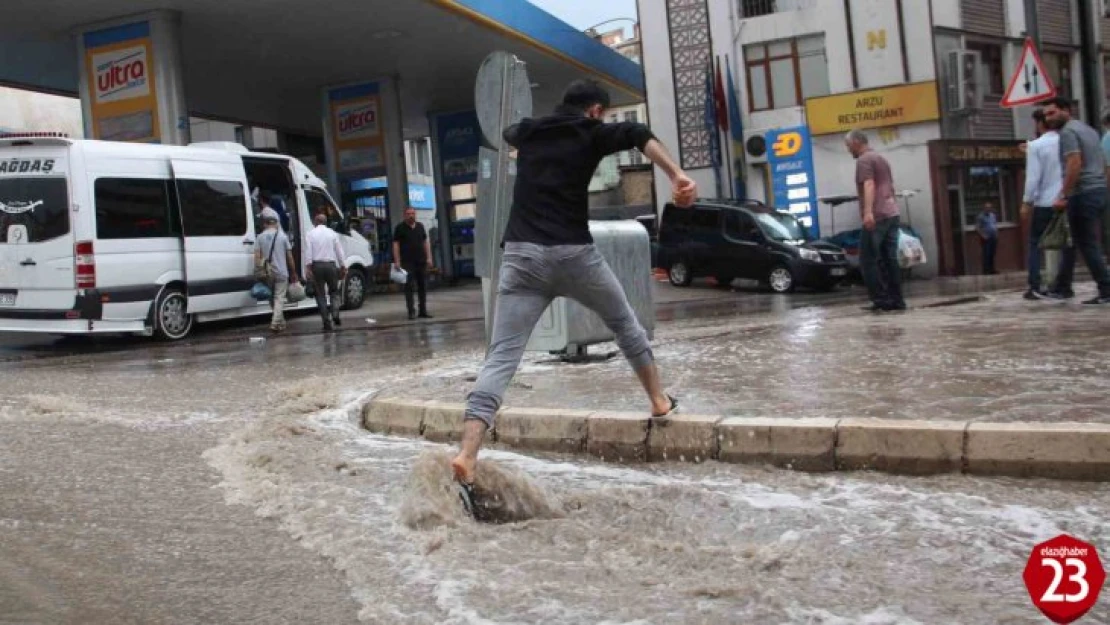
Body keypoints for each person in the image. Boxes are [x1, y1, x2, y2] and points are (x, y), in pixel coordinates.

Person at [450, 79, 697, 489]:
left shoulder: (529, 131)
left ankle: (467, 453)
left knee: (501, 356)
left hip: (522, 258)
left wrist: (523, 150)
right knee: (625, 325)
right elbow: (640, 135)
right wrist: (677, 174)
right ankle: (658, 401)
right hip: (574, 255)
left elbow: (509, 134)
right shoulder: (592, 132)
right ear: (596, 111)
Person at [1040, 97, 1110, 305]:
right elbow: (1102, 163)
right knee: (1075, 241)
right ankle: (1062, 286)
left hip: (1083, 192)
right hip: (1098, 191)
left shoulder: (1068, 133)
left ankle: (1106, 287)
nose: (1048, 118)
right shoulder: (1089, 130)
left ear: (1066, 111)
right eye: (1046, 115)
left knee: (1087, 243)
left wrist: (1063, 194)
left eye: (1052, 113)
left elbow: (1074, 163)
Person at [845, 129, 906, 312]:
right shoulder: (880, 158)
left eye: (849, 146)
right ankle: (897, 300)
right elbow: (890, 185)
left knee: (867, 260)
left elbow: (869, 184)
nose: (849, 150)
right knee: (890, 259)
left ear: (857, 142)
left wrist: (868, 212)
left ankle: (880, 300)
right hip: (892, 213)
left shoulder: (864, 160)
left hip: (877, 215)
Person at [1021, 109, 1062, 299]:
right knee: (1065, 243)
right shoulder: (1065, 141)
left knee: (1035, 243)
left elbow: (1033, 178)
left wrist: (1026, 202)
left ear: (1039, 124)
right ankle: (1061, 284)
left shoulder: (1036, 146)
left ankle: (1035, 285)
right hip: (1065, 200)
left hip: (1044, 202)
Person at [255, 214, 299, 333]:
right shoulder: (282, 237)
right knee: (279, 298)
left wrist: (259, 271)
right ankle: (275, 323)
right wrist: (293, 272)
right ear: (276, 223)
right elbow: (289, 257)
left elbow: (257, 257)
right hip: (281, 271)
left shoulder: (260, 237)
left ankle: (281, 323)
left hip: (267, 272)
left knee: (272, 298)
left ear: (266, 224)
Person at [305, 213, 347, 331]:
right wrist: (343, 266)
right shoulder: (332, 233)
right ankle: (335, 313)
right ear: (326, 222)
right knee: (334, 291)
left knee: (320, 295)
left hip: (317, 266)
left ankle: (326, 322)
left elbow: (308, 251)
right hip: (331, 265)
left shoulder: (310, 234)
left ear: (315, 222)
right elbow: (339, 251)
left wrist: (308, 267)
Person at [392, 207, 434, 320]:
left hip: (421, 261)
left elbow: (425, 242)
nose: (411, 215)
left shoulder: (420, 226)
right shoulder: (399, 228)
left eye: (413, 213)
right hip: (407, 262)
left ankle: (423, 311)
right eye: (408, 214)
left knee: (422, 286)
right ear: (405, 215)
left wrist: (429, 257)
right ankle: (411, 311)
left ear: (415, 215)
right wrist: (397, 260)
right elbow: (396, 245)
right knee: (409, 287)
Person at [977, 202, 998, 275]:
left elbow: (994, 224)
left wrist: (996, 233)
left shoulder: (992, 215)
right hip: (986, 238)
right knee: (986, 254)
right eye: (987, 208)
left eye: (990, 208)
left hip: (993, 237)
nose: (988, 209)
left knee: (992, 253)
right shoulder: (981, 216)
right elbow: (978, 227)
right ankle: (986, 270)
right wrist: (983, 235)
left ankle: (992, 269)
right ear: (984, 208)